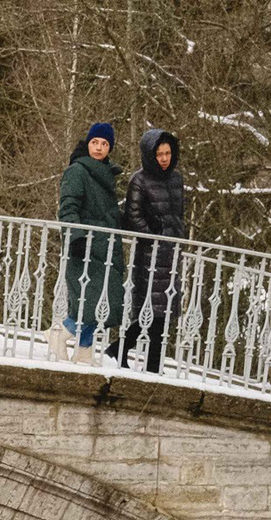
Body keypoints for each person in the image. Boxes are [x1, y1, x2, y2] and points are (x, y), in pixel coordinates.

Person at [115, 128, 185, 373]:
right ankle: (130, 354)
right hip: (150, 254)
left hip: (173, 252)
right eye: (159, 154)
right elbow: (132, 216)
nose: (164, 158)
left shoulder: (177, 180)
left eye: (167, 153)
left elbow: (179, 214)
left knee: (164, 310)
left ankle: (132, 354)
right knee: (152, 309)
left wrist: (177, 237)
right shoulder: (140, 180)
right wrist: (152, 233)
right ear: (150, 154)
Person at [57, 122, 126, 361]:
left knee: (104, 302)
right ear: (88, 143)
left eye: (104, 144)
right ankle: (59, 333)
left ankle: (84, 350)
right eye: (95, 142)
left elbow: (106, 213)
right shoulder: (78, 170)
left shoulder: (105, 174)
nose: (99, 148)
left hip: (104, 247)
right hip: (85, 247)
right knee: (90, 302)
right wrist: (75, 237)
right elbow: (68, 207)